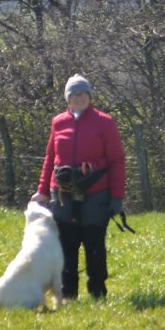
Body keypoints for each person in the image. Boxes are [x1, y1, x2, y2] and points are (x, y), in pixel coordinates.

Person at [35, 76, 126, 301]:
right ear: (68, 98)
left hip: (96, 192)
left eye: (83, 94)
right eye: (74, 95)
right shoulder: (58, 122)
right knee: (67, 243)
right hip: (63, 194)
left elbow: (117, 160)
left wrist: (117, 197)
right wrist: (43, 190)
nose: (79, 98)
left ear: (90, 97)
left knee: (94, 242)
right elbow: (50, 157)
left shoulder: (105, 122)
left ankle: (97, 292)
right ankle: (67, 294)